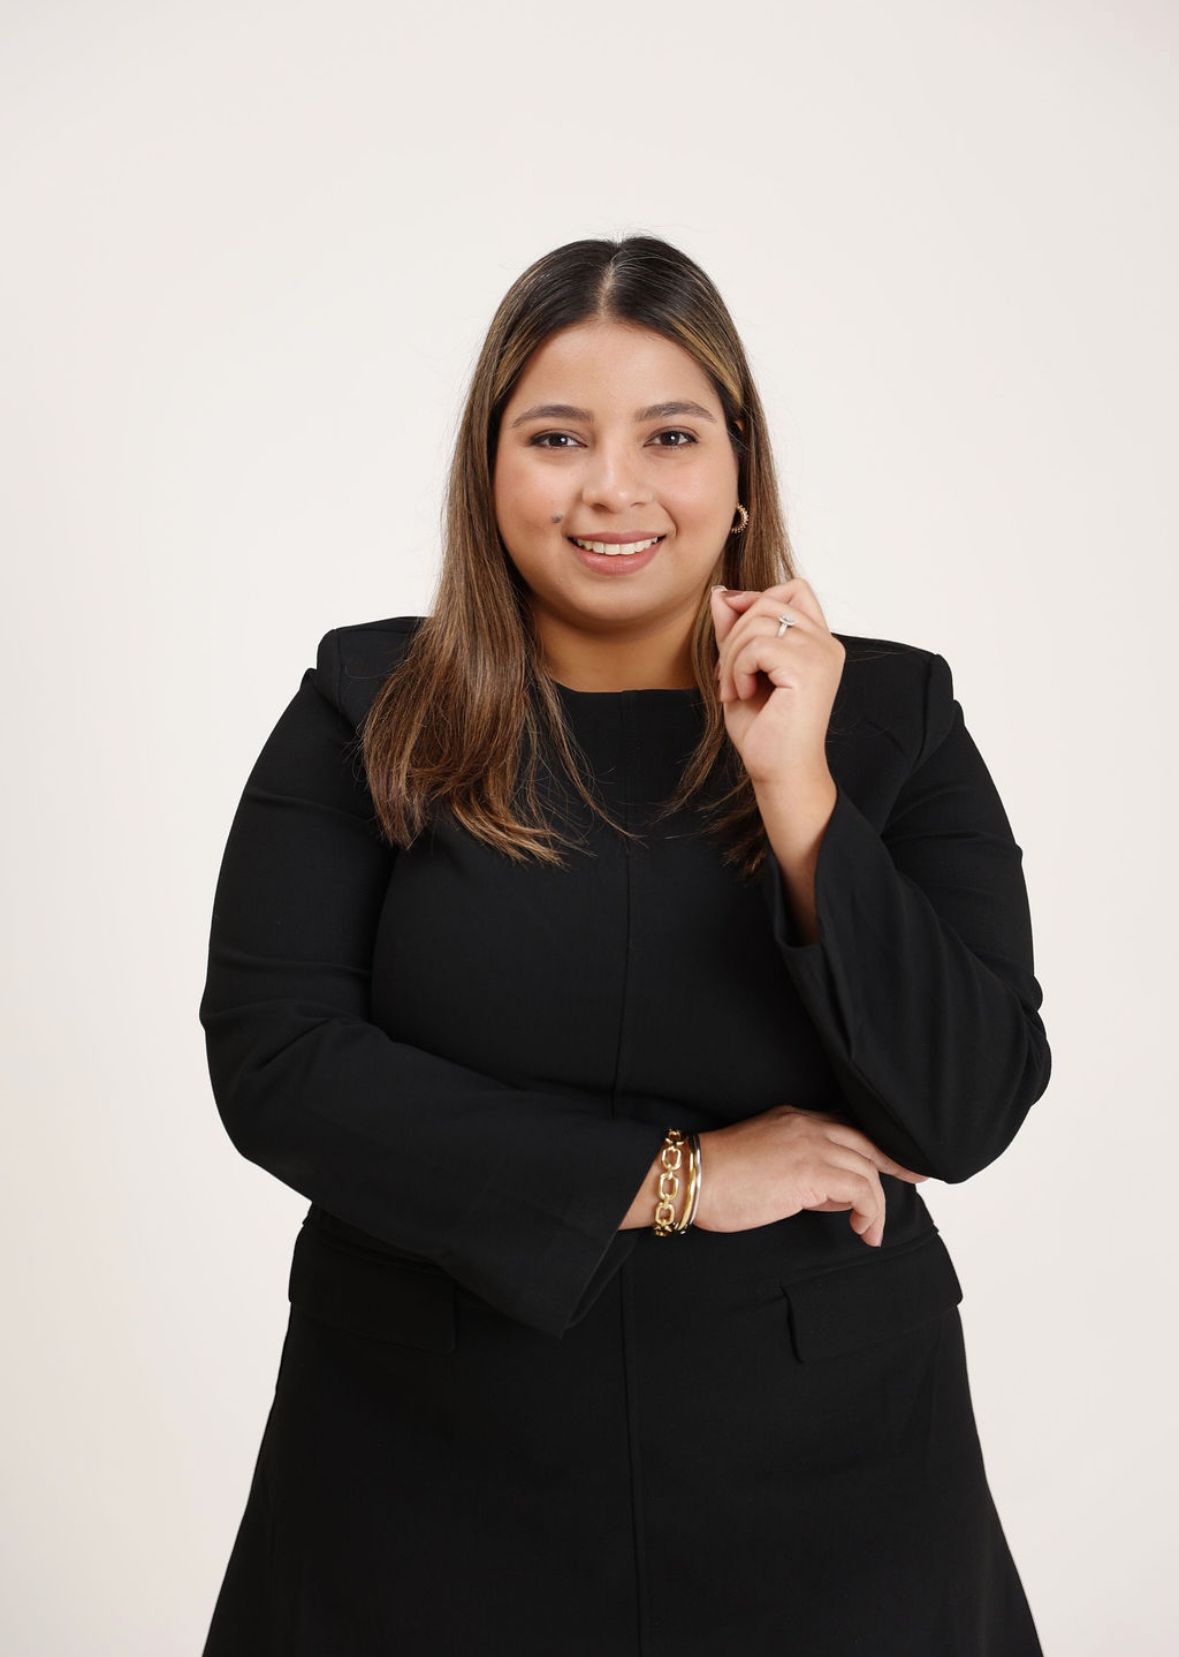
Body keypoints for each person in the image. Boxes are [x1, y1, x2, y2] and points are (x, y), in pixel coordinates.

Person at [198, 234, 1052, 1655]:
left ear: (737, 465)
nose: (613, 485)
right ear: (490, 467)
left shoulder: (892, 719)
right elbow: (280, 1064)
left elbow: (964, 1104)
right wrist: (681, 1175)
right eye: (556, 435)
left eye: (668, 433)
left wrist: (799, 792)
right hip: (422, 1470)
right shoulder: (368, 711)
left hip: (828, 1488)